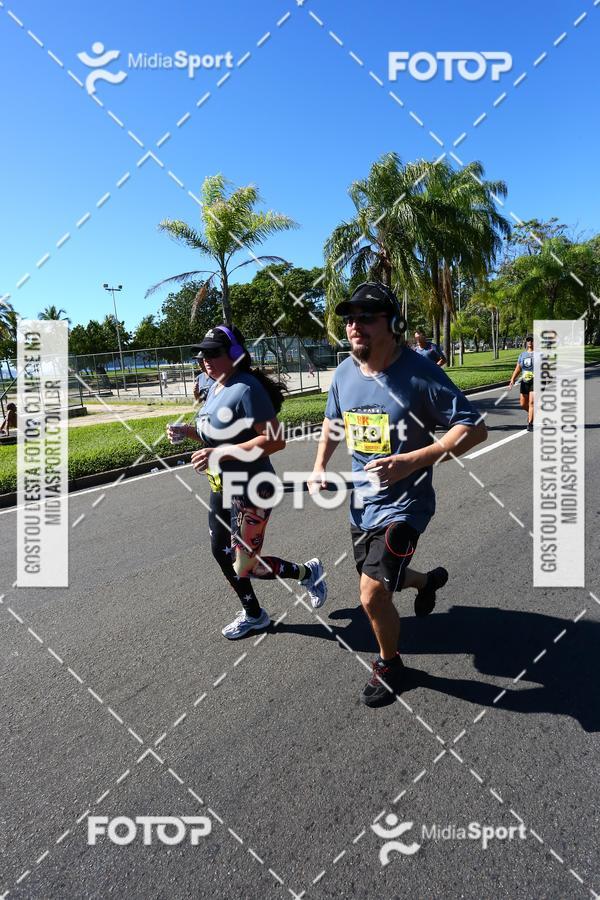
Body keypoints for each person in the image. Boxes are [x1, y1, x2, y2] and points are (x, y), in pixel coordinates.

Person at [309, 283, 487, 707]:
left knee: (371, 593)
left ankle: (391, 664)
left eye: (366, 317)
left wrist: (412, 461)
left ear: (393, 323)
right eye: (349, 318)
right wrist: (319, 465)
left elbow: (473, 427)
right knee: (381, 578)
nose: (355, 326)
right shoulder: (345, 372)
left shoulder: (419, 372)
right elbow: (334, 423)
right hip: (362, 503)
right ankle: (428, 582)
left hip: (408, 505)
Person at [167, 324, 327, 639]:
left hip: (254, 488)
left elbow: (275, 440)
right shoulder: (213, 386)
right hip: (222, 488)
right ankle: (255, 615)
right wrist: (187, 431)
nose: (205, 361)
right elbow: (215, 429)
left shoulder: (246, 387)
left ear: (235, 354)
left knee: (245, 566)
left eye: (213, 353)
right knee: (221, 552)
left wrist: (221, 453)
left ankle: (308, 573)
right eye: (201, 355)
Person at [508, 335, 537, 432]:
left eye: (532, 340)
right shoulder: (522, 355)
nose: (530, 342)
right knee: (523, 403)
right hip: (525, 381)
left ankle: (530, 423)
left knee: (532, 402)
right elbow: (518, 368)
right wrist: (512, 379)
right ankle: (532, 414)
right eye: (528, 340)